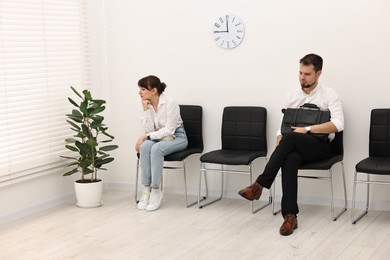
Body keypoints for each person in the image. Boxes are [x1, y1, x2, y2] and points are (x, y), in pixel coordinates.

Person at [238, 54, 344, 236]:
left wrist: (308, 129)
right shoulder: (291, 96)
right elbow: (281, 129)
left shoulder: (329, 94)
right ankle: (290, 216)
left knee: (292, 137)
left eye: (307, 74)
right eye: (300, 73)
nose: (302, 77)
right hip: (295, 146)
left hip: (322, 148)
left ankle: (259, 185)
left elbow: (339, 124)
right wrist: (281, 141)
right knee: (290, 158)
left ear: (319, 73)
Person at [135, 75, 188, 211]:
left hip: (177, 137)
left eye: (142, 89)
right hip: (158, 137)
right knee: (146, 146)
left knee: (156, 149)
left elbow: (170, 130)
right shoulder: (147, 104)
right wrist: (146, 111)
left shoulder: (170, 103)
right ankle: (147, 190)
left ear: (153, 91)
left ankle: (156, 191)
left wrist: (146, 136)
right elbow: (148, 129)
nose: (139, 92)